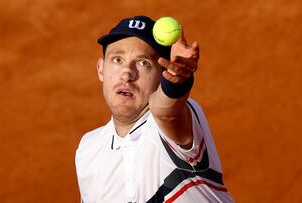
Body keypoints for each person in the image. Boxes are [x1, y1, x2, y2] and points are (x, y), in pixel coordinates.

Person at [75, 15, 234, 203]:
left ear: (162, 75)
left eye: (144, 63)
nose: (127, 73)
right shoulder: (88, 150)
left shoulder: (173, 124)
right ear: (101, 69)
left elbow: (166, 112)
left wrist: (175, 83)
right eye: (117, 59)